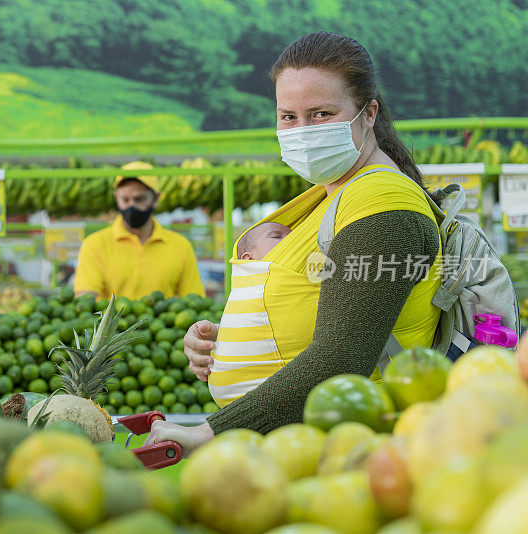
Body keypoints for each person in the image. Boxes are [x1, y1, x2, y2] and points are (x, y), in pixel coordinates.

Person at [145, 31, 443, 452]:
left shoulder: (382, 202)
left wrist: (208, 433)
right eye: (288, 116)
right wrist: (225, 340)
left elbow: (342, 356)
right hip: (300, 443)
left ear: (369, 113)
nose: (302, 131)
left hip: (355, 447)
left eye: (321, 114)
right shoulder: (332, 192)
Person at [74, 161, 205, 300]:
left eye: (139, 199)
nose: (132, 206)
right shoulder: (95, 245)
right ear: (116, 197)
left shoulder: (181, 246)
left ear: (156, 198)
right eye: (125, 199)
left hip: (161, 322)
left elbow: (194, 299)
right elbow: (85, 299)